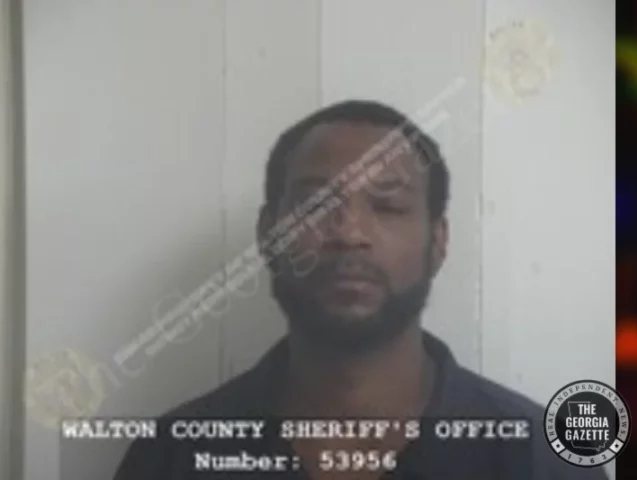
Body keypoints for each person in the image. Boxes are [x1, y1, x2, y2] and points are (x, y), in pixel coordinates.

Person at [114, 101, 609, 479]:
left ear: (438, 241)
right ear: (267, 235)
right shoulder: (170, 458)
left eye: (388, 207)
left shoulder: (541, 460)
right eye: (314, 206)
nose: (349, 233)